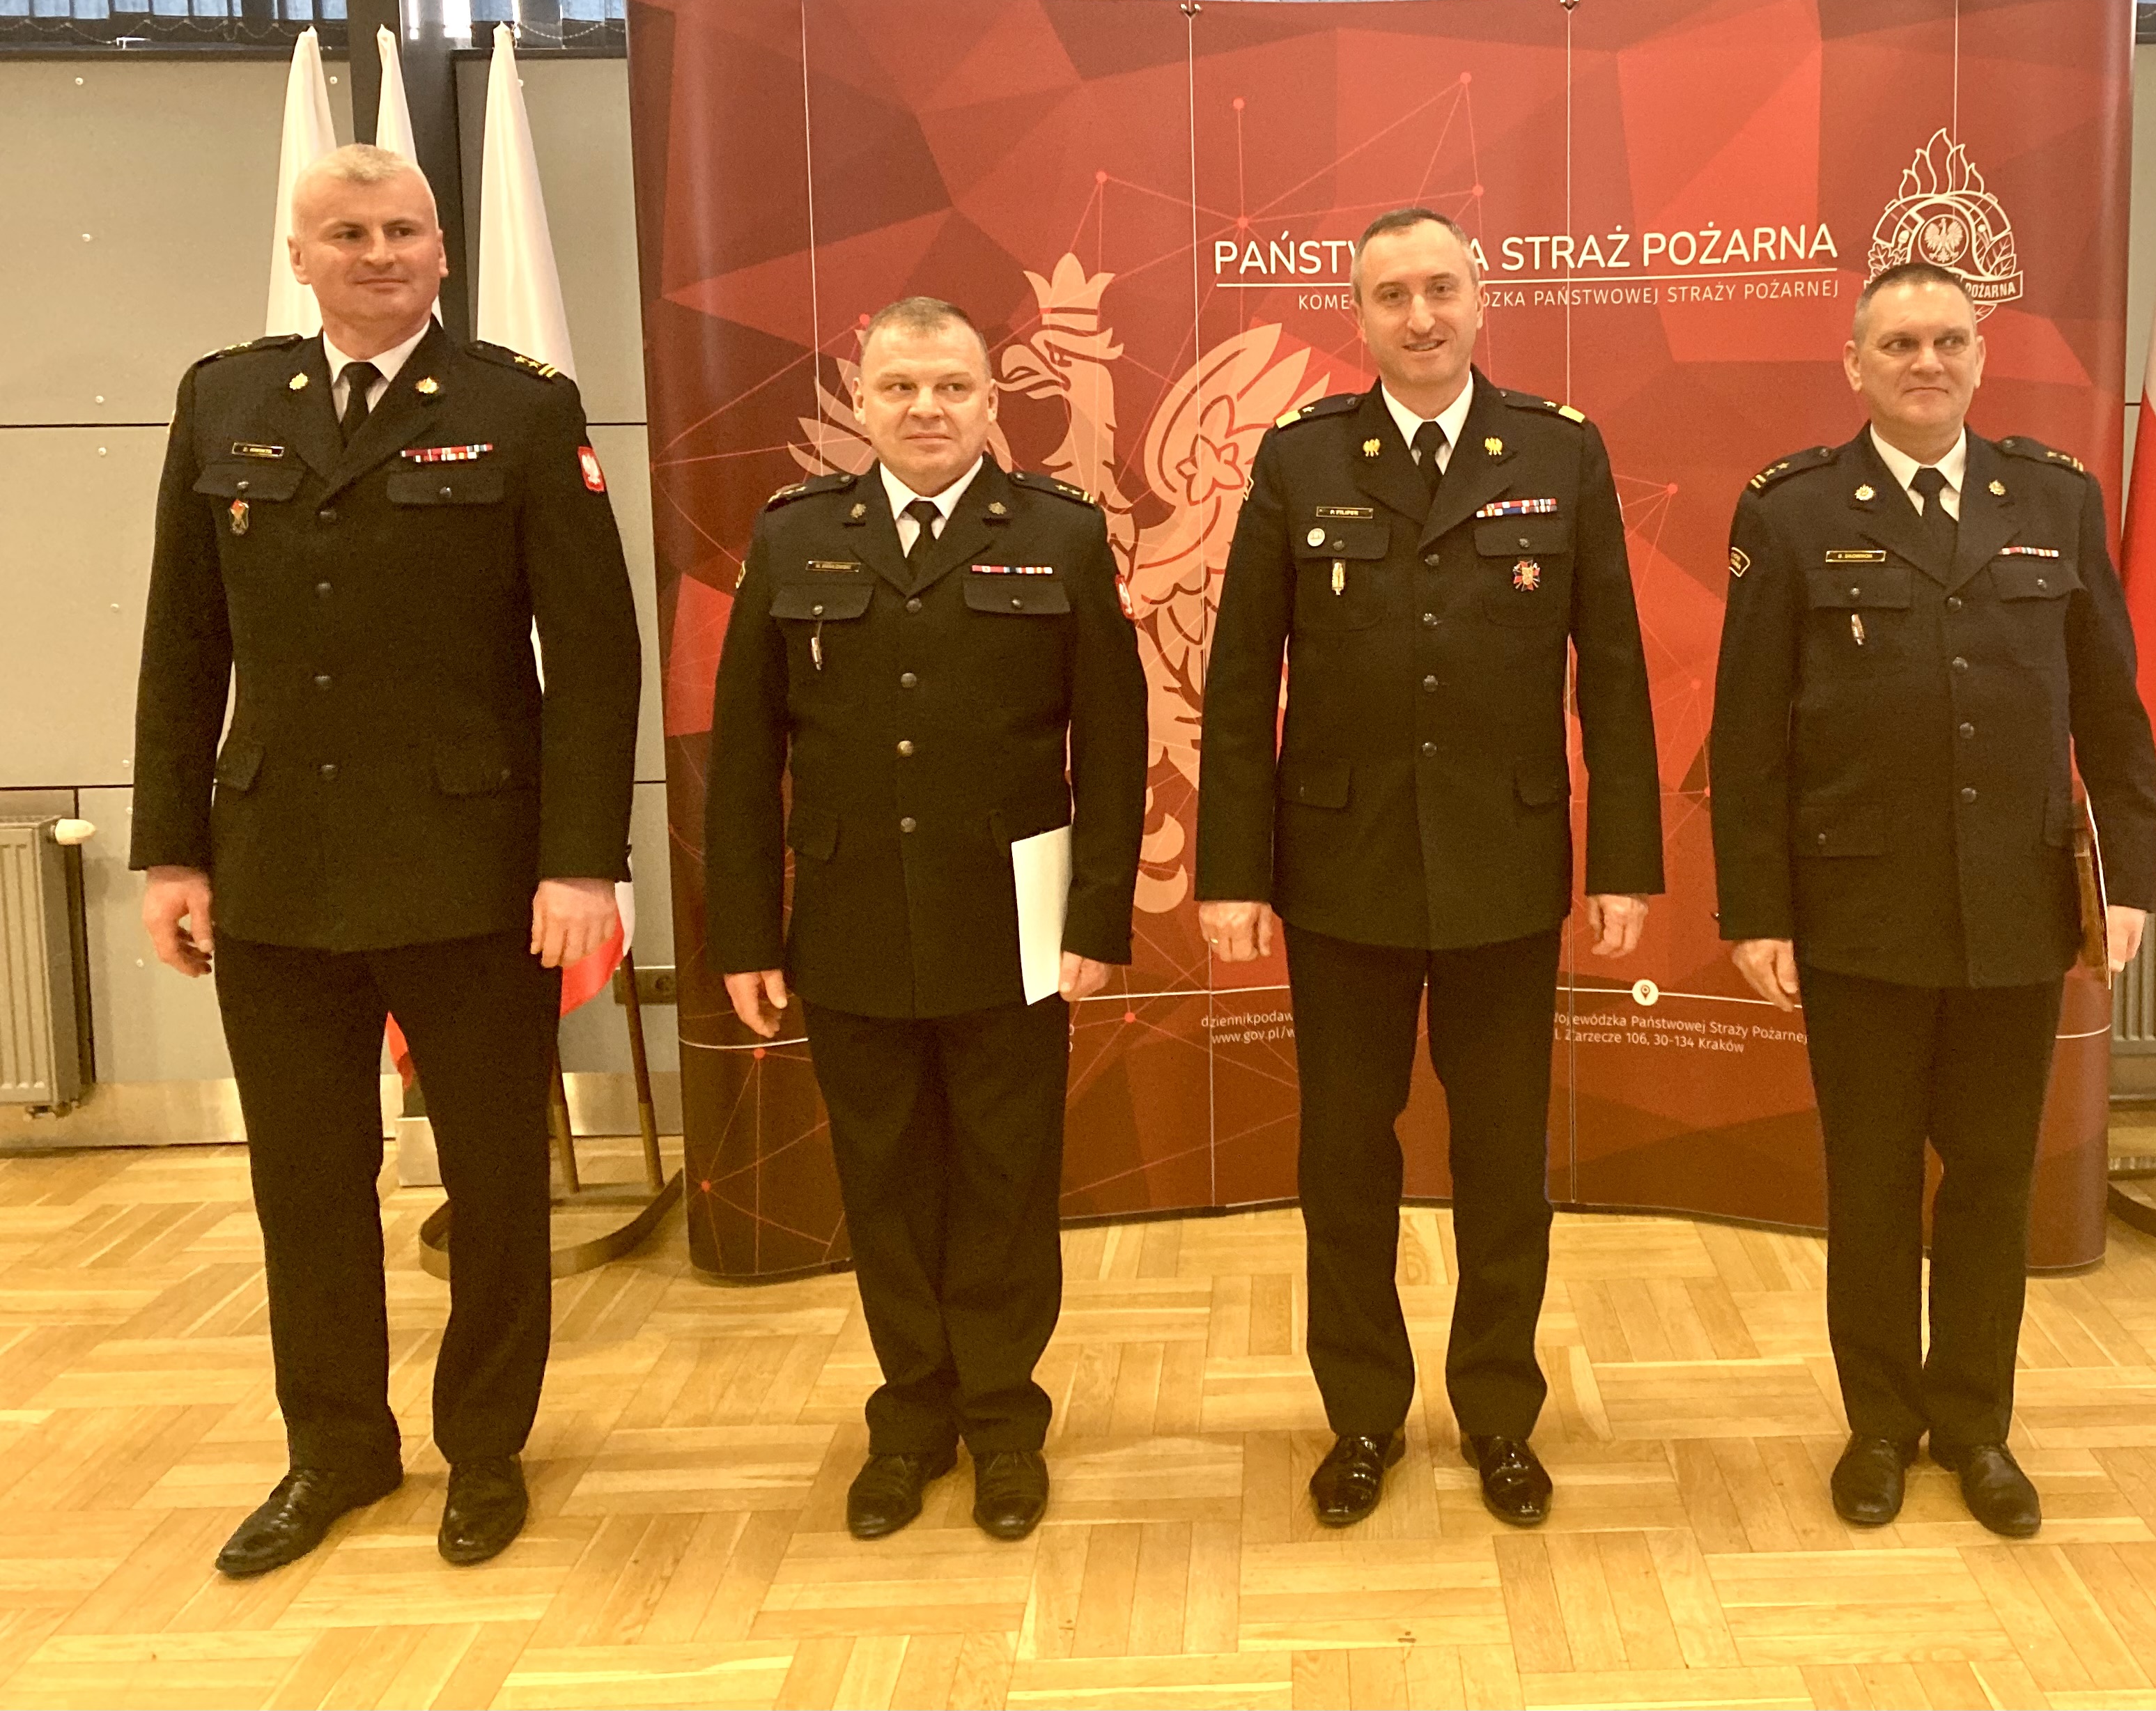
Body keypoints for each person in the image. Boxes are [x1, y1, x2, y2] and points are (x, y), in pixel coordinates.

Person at [132, 143, 643, 1575]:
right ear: (299, 254)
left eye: (404, 230)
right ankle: (337, 1446)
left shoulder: (519, 407)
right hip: (277, 867)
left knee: (495, 1179)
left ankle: (486, 1446)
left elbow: (593, 653)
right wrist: (170, 852)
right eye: (348, 233)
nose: (380, 255)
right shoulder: (226, 399)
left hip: (471, 866)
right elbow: (183, 641)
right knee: (305, 1182)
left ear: (442, 249)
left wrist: (579, 863)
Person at [1197, 208, 1663, 1529]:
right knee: (1344, 1159)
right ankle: (1361, 1416)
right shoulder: (1302, 458)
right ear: (1358, 315)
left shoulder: (1559, 451)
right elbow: (1242, 677)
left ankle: (1500, 1413)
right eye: (1393, 294)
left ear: (1481, 296)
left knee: (1506, 1162)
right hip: (1338, 872)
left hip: (1504, 869)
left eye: (1442, 288)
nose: (1421, 315)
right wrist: (1231, 872)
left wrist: (1624, 860)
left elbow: (1613, 668)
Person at [1709, 260, 2156, 1538]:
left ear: (1981, 357)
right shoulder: (1791, 512)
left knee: (1992, 1179)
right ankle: (1878, 1426)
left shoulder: (2056, 499)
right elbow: (1748, 734)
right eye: (1900, 343)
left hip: (2016, 910)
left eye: (1949, 340)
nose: (1927, 362)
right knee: (1868, 1184)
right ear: (1854, 364)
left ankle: (1976, 1427)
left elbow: (2112, 708)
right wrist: (1756, 909)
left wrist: (2128, 878)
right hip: (1859, 914)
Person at [706, 297, 1147, 1543]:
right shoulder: (797, 536)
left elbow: (1115, 746)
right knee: (885, 1179)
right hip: (848, 917)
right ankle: (909, 1421)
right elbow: (745, 752)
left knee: (1006, 1180)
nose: (927, 409)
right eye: (899, 387)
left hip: (1011, 920)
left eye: (952, 386)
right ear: (860, 398)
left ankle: (1003, 1422)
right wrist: (746, 933)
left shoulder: (1059, 533)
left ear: (991, 401)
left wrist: (1098, 917)